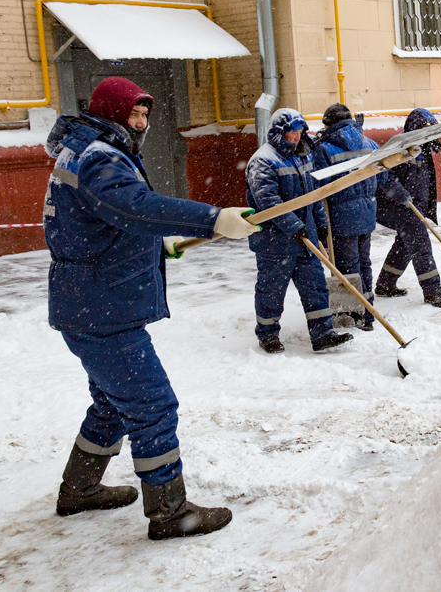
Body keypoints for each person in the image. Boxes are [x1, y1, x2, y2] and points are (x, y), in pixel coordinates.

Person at [43, 76, 257, 540]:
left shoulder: (84, 150)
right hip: (103, 307)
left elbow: (101, 222)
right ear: (110, 112)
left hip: (89, 299)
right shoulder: (98, 157)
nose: (140, 123)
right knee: (152, 405)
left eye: (145, 115)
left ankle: (78, 490)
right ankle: (169, 511)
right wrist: (212, 217)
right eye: (133, 114)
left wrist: (158, 245)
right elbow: (134, 206)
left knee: (112, 403)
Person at [246, 108, 354, 354]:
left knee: (315, 285)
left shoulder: (304, 156)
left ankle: (323, 333)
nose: (295, 139)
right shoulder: (263, 161)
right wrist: (294, 227)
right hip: (274, 241)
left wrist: (321, 221)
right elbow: (268, 202)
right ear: (277, 134)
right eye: (290, 135)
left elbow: (313, 195)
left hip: (306, 237)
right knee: (271, 290)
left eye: (298, 133)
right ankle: (268, 334)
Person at [312, 104, 413, 329]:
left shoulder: (324, 149)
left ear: (329, 124)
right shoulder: (370, 143)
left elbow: (319, 186)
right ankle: (368, 311)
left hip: (340, 217)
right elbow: (383, 177)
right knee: (364, 264)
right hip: (366, 214)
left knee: (347, 266)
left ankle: (356, 314)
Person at [374, 108, 441, 308]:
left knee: (405, 244)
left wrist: (423, 205)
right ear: (417, 128)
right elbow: (383, 174)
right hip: (395, 204)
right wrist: (399, 194)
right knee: (421, 246)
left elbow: (423, 181)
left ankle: (385, 284)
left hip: (411, 204)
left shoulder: (423, 147)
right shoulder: (400, 145)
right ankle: (433, 292)